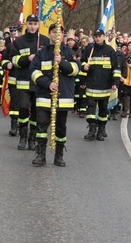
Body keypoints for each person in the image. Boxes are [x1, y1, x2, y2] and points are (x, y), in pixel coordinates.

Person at [28, 23, 79, 167]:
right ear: (49, 34)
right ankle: (40, 155)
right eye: (53, 32)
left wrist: (61, 62)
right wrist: (47, 83)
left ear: (62, 36)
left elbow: (75, 70)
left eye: (59, 33)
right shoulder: (41, 53)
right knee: (41, 126)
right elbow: (33, 72)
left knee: (61, 128)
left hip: (63, 98)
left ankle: (59, 155)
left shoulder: (69, 52)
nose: (55, 35)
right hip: (44, 96)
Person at [5, 14, 49, 149]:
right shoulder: (19, 42)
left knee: (36, 111)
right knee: (23, 108)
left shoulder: (45, 41)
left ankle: (32, 138)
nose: (33, 26)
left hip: (39, 82)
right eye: (30, 23)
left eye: (35, 24)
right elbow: (13, 59)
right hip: (23, 80)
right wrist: (27, 58)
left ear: (38, 25)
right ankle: (23, 136)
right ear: (26, 24)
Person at [80, 29, 120, 142]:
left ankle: (101, 130)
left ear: (103, 37)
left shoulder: (110, 51)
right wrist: (84, 68)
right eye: (95, 36)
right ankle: (91, 130)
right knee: (90, 111)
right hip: (91, 86)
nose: (97, 38)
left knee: (103, 110)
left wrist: (115, 83)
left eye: (99, 36)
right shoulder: (89, 49)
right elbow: (82, 62)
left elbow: (116, 69)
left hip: (105, 86)